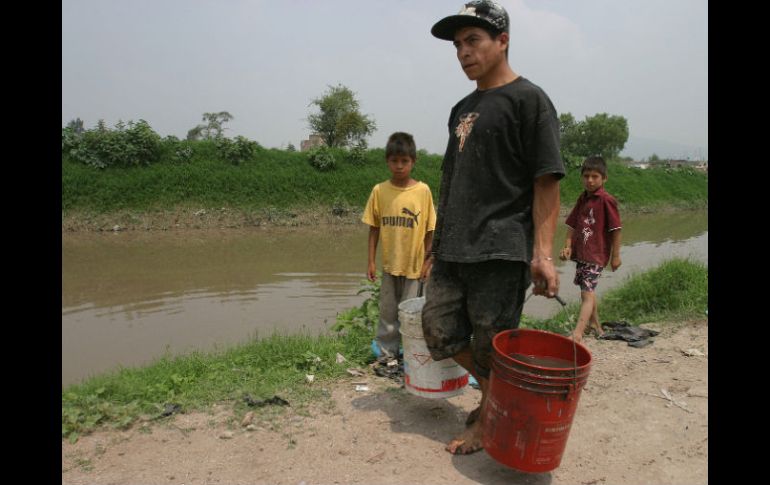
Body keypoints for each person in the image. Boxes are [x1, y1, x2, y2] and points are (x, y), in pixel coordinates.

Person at [421, 0, 565, 455]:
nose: (463, 52)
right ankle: (501, 399)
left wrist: (542, 254)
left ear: (502, 41)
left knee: (490, 346)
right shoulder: (461, 107)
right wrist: (435, 245)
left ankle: (490, 419)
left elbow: (546, 181)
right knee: (438, 331)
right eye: (458, 44)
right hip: (454, 247)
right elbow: (451, 180)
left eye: (474, 40)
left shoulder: (529, 100)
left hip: (501, 247)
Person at [362, 132, 437, 358]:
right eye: (394, 161)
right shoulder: (379, 191)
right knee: (387, 312)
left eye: (404, 161)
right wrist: (371, 262)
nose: (399, 166)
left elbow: (430, 230)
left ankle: (412, 355)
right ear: (387, 161)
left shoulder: (422, 191)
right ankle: (387, 355)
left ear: (413, 162)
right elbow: (373, 228)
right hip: (389, 265)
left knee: (411, 314)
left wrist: (428, 261)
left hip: (414, 268)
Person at [559, 155, 622, 343]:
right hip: (582, 254)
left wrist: (616, 256)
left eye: (595, 176)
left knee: (586, 294)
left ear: (604, 179)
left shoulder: (606, 200)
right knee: (587, 291)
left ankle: (578, 333)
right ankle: (595, 325)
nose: (590, 180)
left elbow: (616, 230)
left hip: (596, 255)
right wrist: (567, 246)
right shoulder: (583, 198)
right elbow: (571, 225)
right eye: (586, 176)